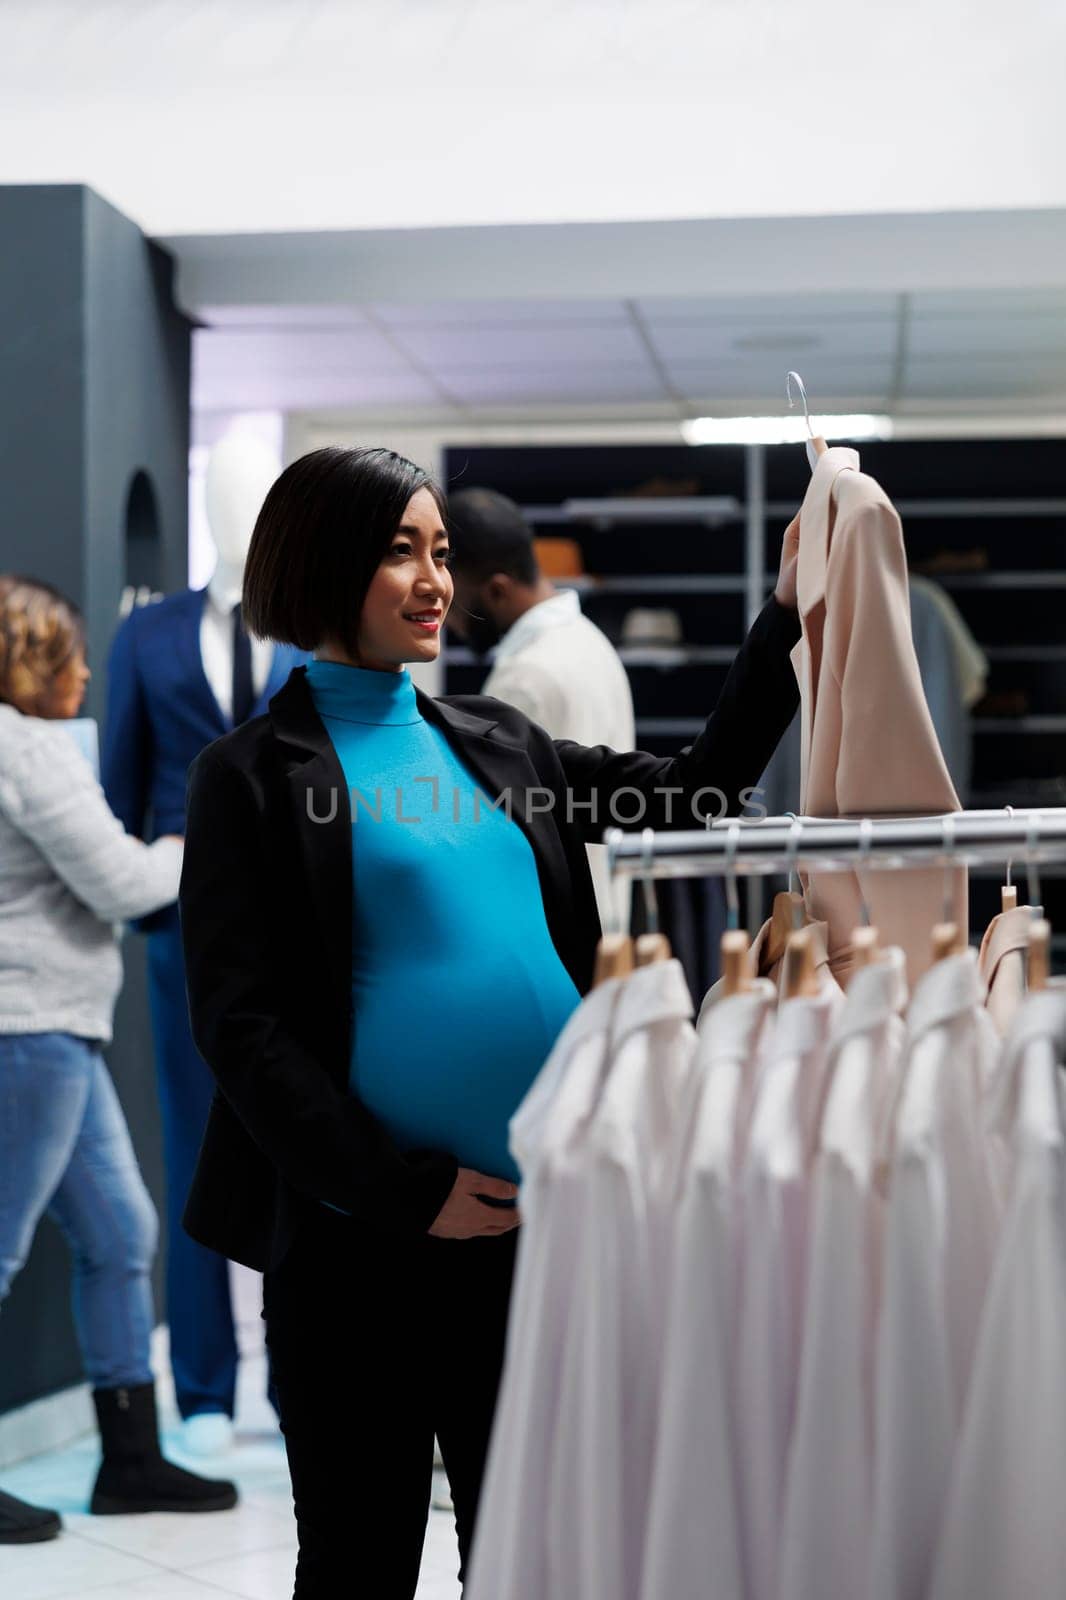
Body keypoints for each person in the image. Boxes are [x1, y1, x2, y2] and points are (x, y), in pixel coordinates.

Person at [177, 446, 802, 1599]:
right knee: (361, 1557)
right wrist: (405, 1190)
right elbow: (240, 1027)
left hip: (535, 1230)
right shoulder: (254, 775)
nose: (433, 580)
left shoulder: (498, 742)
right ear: (322, 566)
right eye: (400, 550)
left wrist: (782, 621)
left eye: (442, 553)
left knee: (529, 1557)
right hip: (363, 1244)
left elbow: (697, 789)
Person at [0, 576, 238, 1546]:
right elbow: (121, 878)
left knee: (121, 1229)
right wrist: (199, 835)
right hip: (30, 1026)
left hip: (59, 1025)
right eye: (73, 655)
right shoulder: (24, 750)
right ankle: (130, 1455)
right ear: (32, 661)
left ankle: (129, 1459)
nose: (92, 670)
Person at [447, 485, 636, 933]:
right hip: (603, 917)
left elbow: (499, 837)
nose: (451, 625)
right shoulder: (588, 640)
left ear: (495, 591)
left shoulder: (523, 679)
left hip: (552, 929)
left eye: (454, 605)